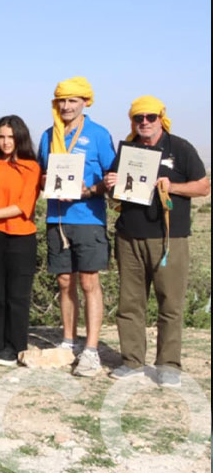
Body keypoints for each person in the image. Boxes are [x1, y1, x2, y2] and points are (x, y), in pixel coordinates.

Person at [105, 96, 210, 387]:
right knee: (129, 303)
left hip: (169, 238)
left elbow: (203, 186)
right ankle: (132, 360)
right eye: (139, 118)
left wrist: (172, 186)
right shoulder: (127, 149)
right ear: (133, 121)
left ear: (161, 118)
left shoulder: (181, 147)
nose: (144, 123)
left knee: (170, 302)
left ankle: (168, 364)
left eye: (150, 117)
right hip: (129, 236)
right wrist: (109, 185)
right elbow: (115, 195)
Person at [37, 77, 117, 377]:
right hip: (57, 218)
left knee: (88, 283)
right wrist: (46, 181)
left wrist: (90, 190)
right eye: (62, 101)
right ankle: (68, 342)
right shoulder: (48, 136)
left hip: (89, 218)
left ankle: (92, 350)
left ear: (85, 102)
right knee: (64, 283)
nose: (67, 106)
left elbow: (112, 178)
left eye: (73, 100)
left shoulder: (98, 134)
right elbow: (42, 173)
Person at [0, 116, 41, 366]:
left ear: (20, 138)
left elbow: (23, 205)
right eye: (1, 136)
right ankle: (0, 343)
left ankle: (16, 346)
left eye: (11, 137)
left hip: (21, 238)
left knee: (17, 295)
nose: (5, 142)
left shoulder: (31, 167)